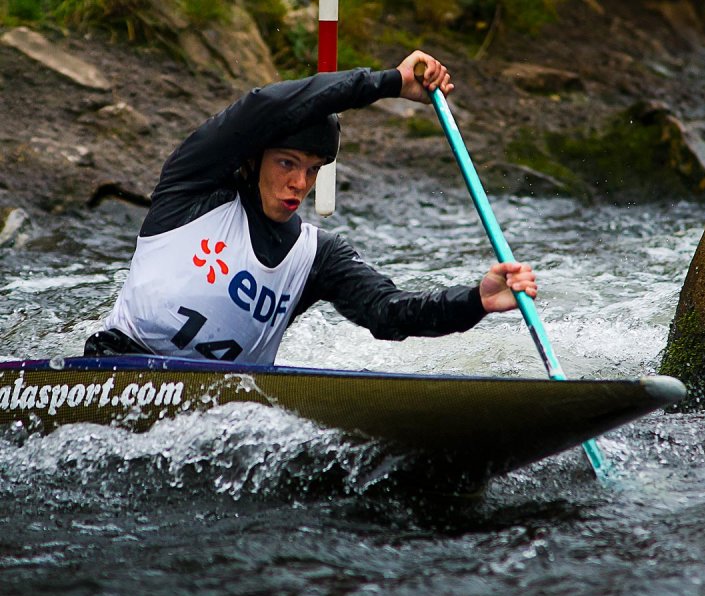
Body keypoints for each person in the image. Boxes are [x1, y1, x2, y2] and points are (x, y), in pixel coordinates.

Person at [84, 51, 538, 364]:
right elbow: (263, 105)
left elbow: (390, 312)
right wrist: (390, 83)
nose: (300, 183)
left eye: (314, 169)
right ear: (254, 158)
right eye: (286, 163)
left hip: (224, 405)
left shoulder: (316, 256)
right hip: (119, 360)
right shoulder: (192, 185)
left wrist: (474, 300)